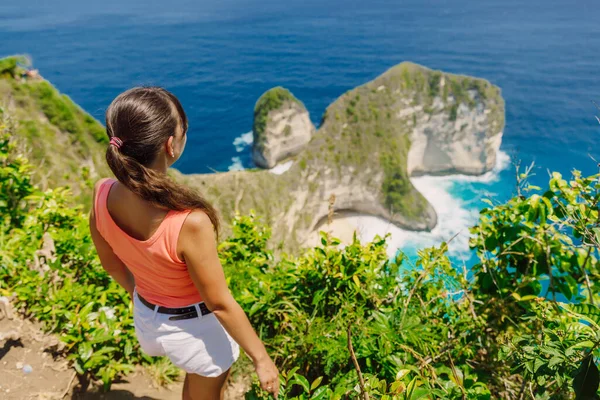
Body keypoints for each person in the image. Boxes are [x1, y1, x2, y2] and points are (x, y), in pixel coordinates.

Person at [89, 87, 279, 399]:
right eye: (182, 128)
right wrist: (262, 359)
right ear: (171, 145)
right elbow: (219, 304)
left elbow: (111, 265)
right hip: (194, 329)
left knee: (195, 382)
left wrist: (147, 298)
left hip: (147, 320)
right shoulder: (188, 222)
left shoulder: (101, 193)